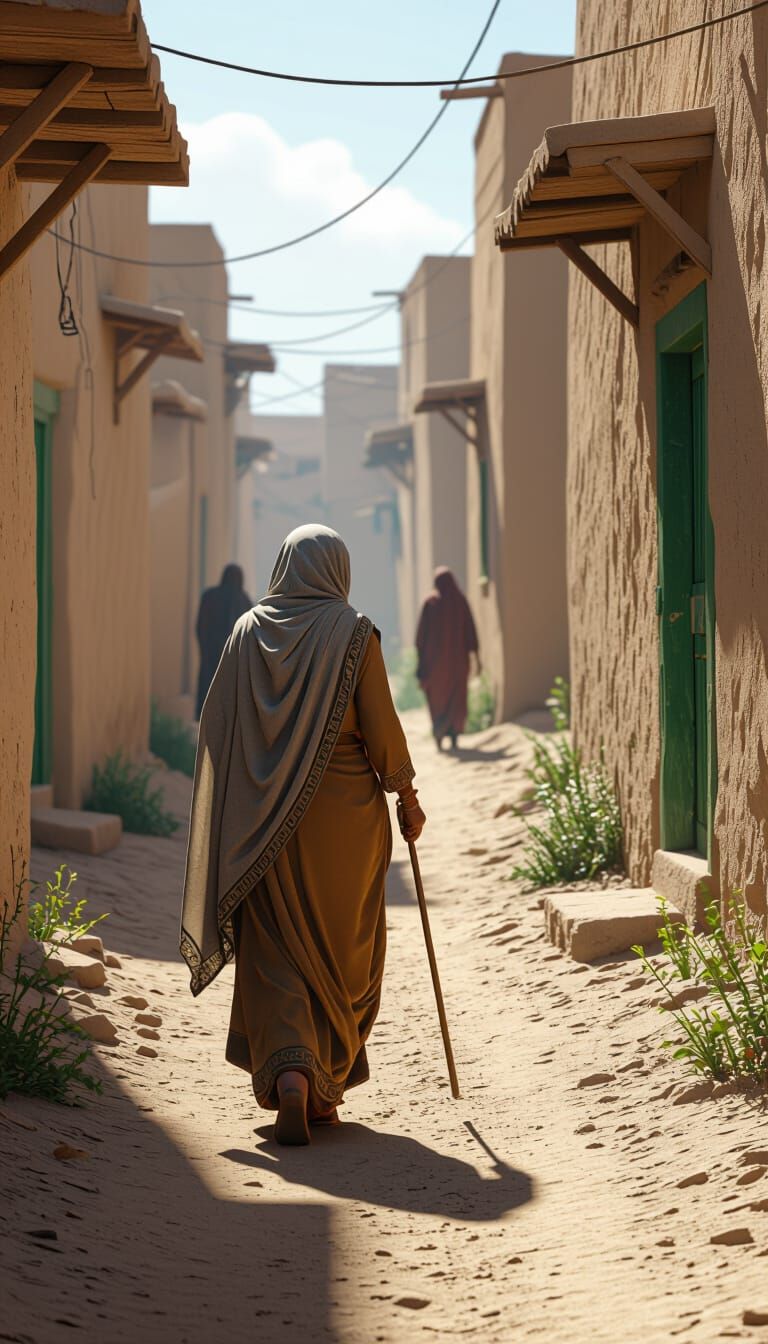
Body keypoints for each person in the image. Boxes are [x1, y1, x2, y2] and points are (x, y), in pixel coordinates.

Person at [180, 524, 426, 1146]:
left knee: (276, 951)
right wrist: (407, 794)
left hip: (260, 827)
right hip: (346, 825)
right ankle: (323, 1088)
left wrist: (248, 796)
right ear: (337, 570)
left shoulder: (245, 633)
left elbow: (216, 727)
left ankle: (291, 1074)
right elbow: (383, 733)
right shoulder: (354, 634)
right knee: (343, 953)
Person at [416, 567, 480, 751]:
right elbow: (471, 631)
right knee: (457, 699)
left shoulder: (431, 603)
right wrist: (477, 656)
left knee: (437, 701)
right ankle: (453, 737)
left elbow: (421, 638)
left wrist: (421, 665)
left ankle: (439, 736)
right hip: (459, 666)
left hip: (435, 668)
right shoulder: (460, 602)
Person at [194, 563, 253, 718]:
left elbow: (201, 627)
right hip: (234, 659)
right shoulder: (244, 600)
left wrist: (205, 649)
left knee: (210, 691)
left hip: (211, 655)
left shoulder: (210, 597)